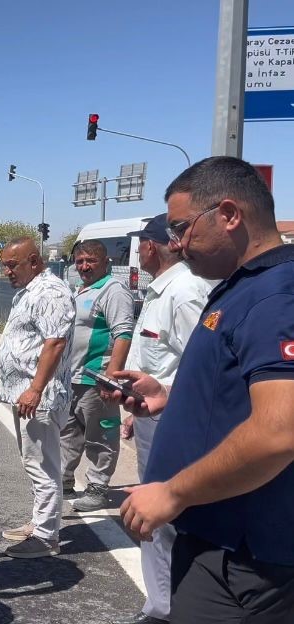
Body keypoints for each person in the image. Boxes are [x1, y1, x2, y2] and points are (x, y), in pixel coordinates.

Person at [112, 157, 294, 623]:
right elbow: (238, 390)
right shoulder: (240, 287)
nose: (176, 244)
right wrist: (168, 396)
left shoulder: (274, 296)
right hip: (217, 538)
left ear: (229, 214)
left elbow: (281, 430)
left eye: (181, 228)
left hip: (248, 557)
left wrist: (172, 493)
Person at [106, 213, 211, 624]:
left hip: (173, 422)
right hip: (150, 417)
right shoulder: (161, 290)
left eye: (140, 245)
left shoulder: (183, 292)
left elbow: (200, 364)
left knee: (164, 519)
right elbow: (154, 356)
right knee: (157, 522)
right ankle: (161, 605)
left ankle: (167, 610)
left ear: (151, 246)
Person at [0, 237, 76, 558]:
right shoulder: (30, 291)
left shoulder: (51, 292)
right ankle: (39, 521)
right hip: (26, 395)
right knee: (34, 463)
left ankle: (45, 536)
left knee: (43, 466)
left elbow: (54, 343)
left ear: (34, 261)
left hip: (39, 397)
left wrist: (35, 388)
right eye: (4, 265)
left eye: (12, 265)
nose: (7, 271)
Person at [59, 240, 135, 512]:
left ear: (106, 263)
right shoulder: (81, 289)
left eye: (90, 260)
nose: (84, 266)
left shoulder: (113, 291)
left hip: (96, 378)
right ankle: (64, 481)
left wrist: (110, 377)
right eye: (79, 261)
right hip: (73, 378)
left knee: (100, 436)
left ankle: (98, 487)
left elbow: (123, 333)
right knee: (68, 433)